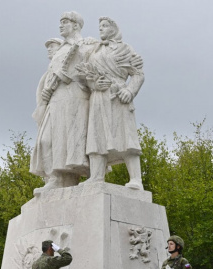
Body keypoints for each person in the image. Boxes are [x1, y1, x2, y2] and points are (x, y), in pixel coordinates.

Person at [30, 11, 94, 191]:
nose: (60, 25)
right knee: (47, 140)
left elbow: (91, 70)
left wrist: (74, 76)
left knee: (74, 141)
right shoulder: (61, 49)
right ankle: (55, 177)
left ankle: (80, 176)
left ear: (75, 25)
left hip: (75, 96)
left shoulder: (87, 45)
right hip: (55, 98)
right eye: (60, 22)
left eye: (64, 22)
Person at [82, 16, 145, 188]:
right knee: (97, 137)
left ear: (113, 28)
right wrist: (94, 84)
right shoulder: (93, 51)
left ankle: (136, 180)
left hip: (118, 96)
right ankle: (96, 176)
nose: (100, 28)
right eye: (99, 26)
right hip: (98, 97)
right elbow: (86, 77)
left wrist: (130, 90)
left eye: (104, 26)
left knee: (126, 137)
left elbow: (138, 74)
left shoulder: (125, 49)